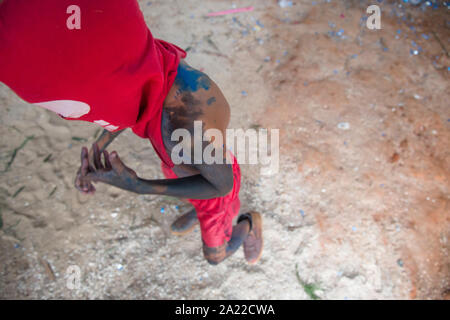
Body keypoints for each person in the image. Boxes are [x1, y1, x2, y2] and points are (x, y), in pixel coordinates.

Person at [0, 0, 263, 264]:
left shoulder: (190, 120)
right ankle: (198, 204)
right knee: (185, 183)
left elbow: (220, 184)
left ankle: (246, 224)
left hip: (212, 183)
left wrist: (139, 186)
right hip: (185, 164)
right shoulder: (127, 69)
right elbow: (123, 102)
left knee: (214, 256)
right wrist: (98, 147)